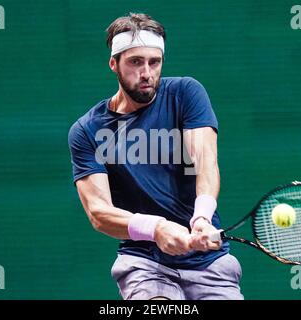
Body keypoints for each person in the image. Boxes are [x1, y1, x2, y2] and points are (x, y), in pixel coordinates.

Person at [68, 12, 243, 300]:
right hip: (144, 264)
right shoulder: (87, 130)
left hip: (211, 265)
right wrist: (156, 228)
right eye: (135, 62)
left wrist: (201, 217)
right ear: (114, 64)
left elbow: (205, 162)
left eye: (154, 62)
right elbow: (99, 213)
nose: (147, 73)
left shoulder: (186, 93)